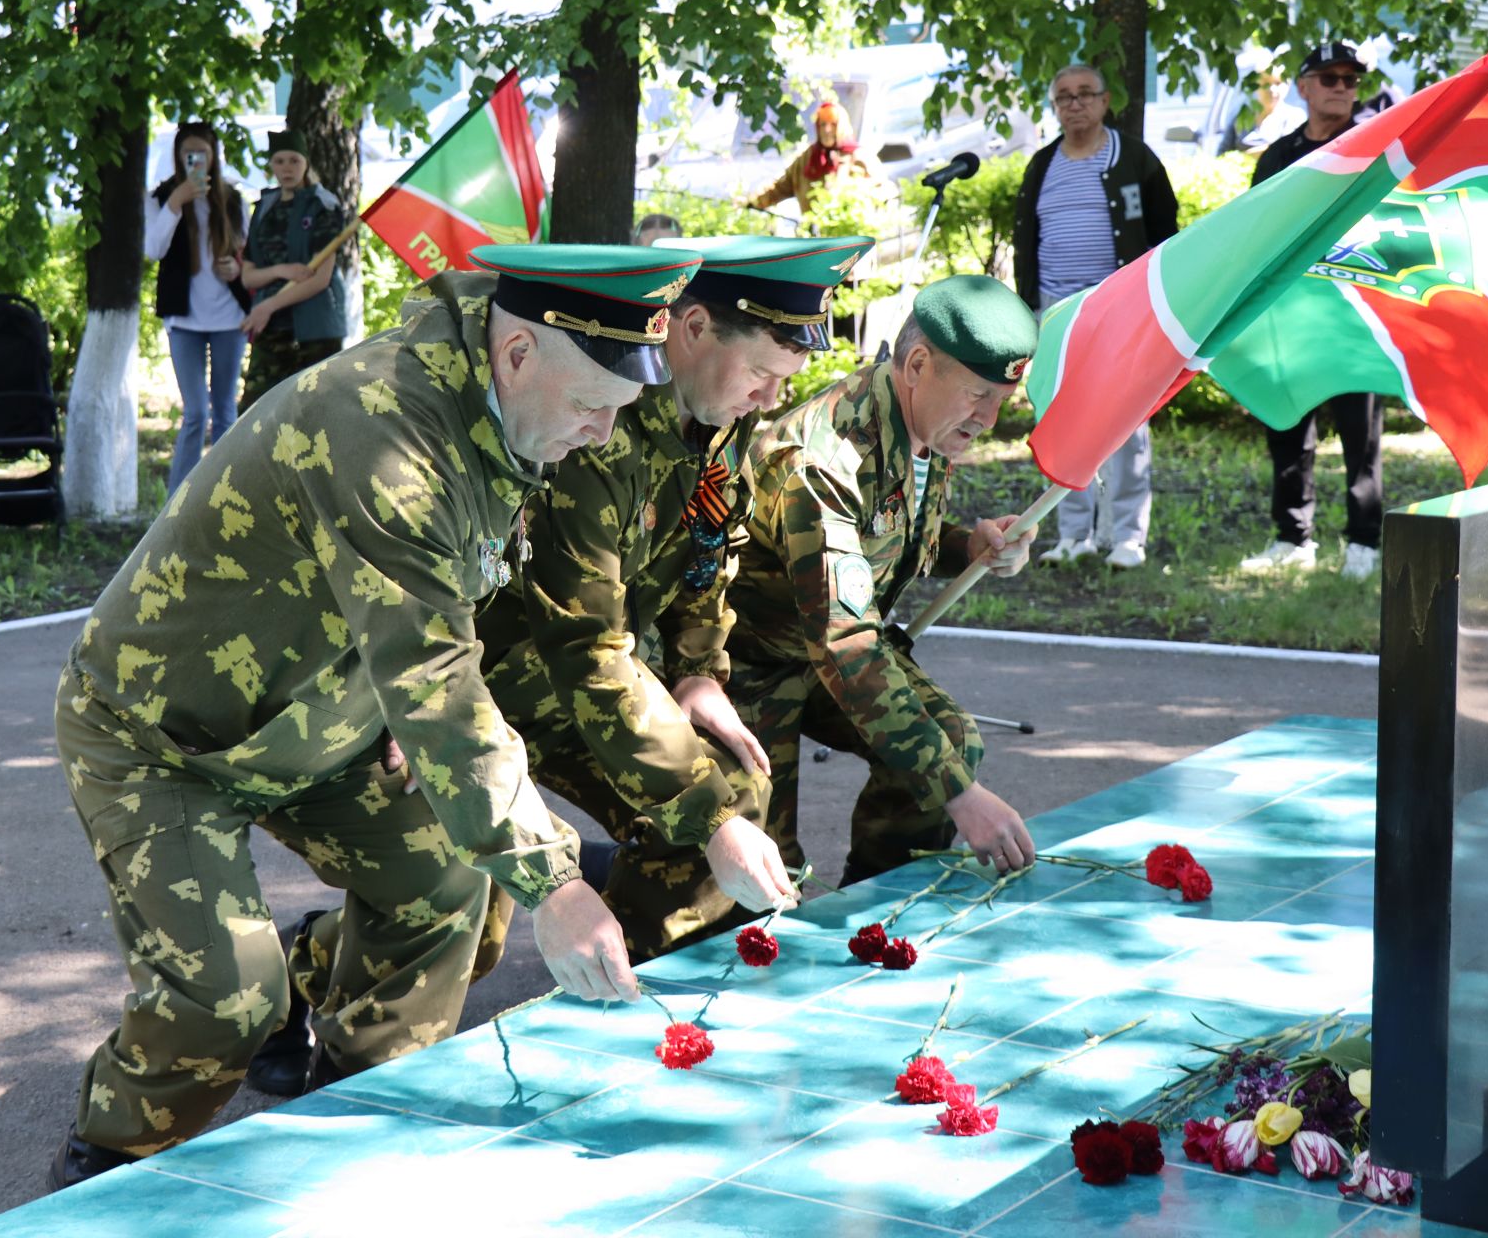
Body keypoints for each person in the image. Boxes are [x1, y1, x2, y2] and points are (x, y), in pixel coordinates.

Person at [47, 242, 711, 1189]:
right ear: (518, 353)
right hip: (164, 735)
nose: (604, 434)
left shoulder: (501, 408)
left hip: (323, 718)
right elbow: (438, 675)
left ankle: (351, 1122)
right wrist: (557, 882)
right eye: (591, 404)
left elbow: (446, 614)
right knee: (224, 1001)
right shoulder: (385, 428)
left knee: (444, 888)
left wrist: (414, 720)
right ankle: (105, 1171)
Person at [468, 235, 873, 964]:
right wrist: (709, 815)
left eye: (785, 379)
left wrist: (697, 673)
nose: (771, 398)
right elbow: (587, 649)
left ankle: (640, 983)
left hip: (597, 677)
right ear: (691, 330)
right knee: (468, 921)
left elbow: (711, 547)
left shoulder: (720, 417)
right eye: (760, 372)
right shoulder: (600, 420)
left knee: (730, 783)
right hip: (496, 684)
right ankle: (309, 980)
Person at [726, 275, 1041, 886]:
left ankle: (872, 905)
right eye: (980, 395)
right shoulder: (824, 459)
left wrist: (965, 547)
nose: (989, 419)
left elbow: (882, 539)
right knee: (758, 874)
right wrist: (962, 797)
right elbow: (846, 641)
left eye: (1002, 400)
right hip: (748, 667)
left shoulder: (921, 420)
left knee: (950, 741)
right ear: (919, 363)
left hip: (816, 650)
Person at [1014, 64, 1178, 570]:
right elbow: (1027, 241)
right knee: (1060, 421)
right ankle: (1072, 534)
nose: (1074, 103)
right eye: (1063, 96)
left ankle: (1126, 535)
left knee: (1128, 423)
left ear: (1106, 102)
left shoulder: (1135, 160)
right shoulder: (1042, 166)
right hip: (1057, 317)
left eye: (1085, 94)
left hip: (1120, 316)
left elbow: (1166, 232)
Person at [1239, 43, 1383, 581]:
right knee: (1288, 427)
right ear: (1303, 87)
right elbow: (1257, 236)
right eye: (1330, 78)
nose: (1342, 87)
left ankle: (1365, 542)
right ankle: (1293, 536)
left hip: (1352, 311)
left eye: (1350, 79)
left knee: (1359, 434)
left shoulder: (1379, 145)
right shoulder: (1276, 157)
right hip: (1291, 314)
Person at [146, 121, 252, 494]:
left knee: (225, 412)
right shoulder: (161, 197)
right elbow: (153, 249)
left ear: (214, 156)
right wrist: (176, 204)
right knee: (196, 413)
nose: (196, 161)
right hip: (184, 320)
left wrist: (237, 268)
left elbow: (249, 255)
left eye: (202, 154)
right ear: (177, 156)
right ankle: (179, 501)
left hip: (228, 319)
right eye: (188, 154)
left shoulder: (233, 199)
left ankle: (227, 493)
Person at [236, 130, 350, 413]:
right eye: (279, 161)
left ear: (306, 164)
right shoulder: (264, 207)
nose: (286, 168)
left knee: (317, 414)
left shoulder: (322, 205)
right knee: (256, 413)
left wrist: (268, 305)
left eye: (294, 161)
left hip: (314, 329)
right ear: (271, 165)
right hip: (272, 330)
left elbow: (320, 279)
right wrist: (282, 270)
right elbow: (248, 275)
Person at [746, 100, 892, 214]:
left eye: (833, 124)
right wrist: (751, 201)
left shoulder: (861, 157)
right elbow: (779, 188)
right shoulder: (807, 159)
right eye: (822, 124)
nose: (827, 130)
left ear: (842, 126)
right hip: (812, 240)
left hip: (849, 239)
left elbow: (884, 193)